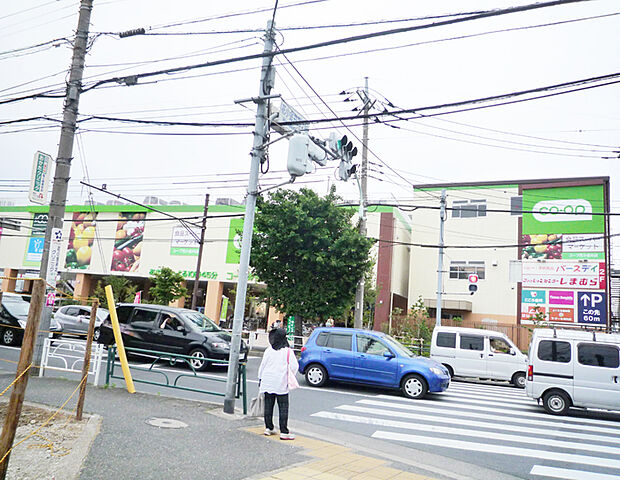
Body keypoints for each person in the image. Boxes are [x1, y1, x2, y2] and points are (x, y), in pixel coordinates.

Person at [257, 328, 298, 440]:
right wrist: (289, 375)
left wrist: (260, 378)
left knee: (268, 406)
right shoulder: (288, 351)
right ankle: (284, 431)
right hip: (281, 382)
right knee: (283, 407)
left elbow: (262, 366)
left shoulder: (268, 350)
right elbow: (294, 366)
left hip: (267, 381)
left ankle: (269, 428)